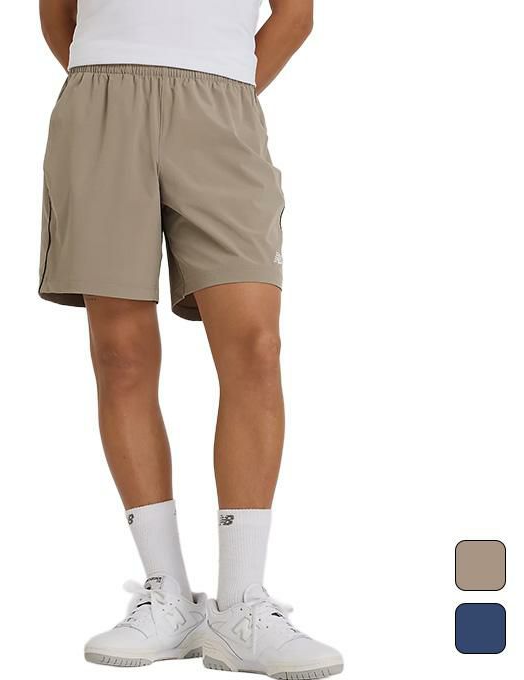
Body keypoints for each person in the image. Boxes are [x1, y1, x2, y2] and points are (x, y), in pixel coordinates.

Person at [38, 1, 343, 676]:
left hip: (222, 104)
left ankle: (241, 605)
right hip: (102, 101)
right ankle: (167, 595)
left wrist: (223, 82)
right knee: (121, 354)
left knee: (255, 346)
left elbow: (296, 13)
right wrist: (106, 81)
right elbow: (57, 13)